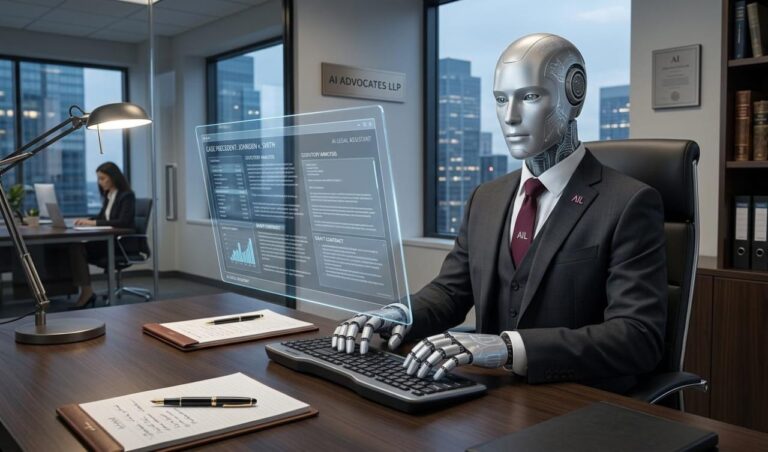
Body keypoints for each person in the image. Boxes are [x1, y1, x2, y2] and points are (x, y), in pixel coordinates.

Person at [333, 33, 667, 394]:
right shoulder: (486, 198)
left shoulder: (629, 202)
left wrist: (507, 347)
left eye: (530, 96)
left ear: (574, 95)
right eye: (501, 99)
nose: (510, 116)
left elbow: (638, 336)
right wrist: (398, 314)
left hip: (578, 402)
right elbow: (450, 292)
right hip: (489, 398)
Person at [69, 162, 135, 308]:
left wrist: (93, 224)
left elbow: (123, 222)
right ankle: (86, 291)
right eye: (99, 178)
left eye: (103, 178)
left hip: (121, 244)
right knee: (74, 246)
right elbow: (103, 217)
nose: (100, 182)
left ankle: (86, 293)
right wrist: (87, 221)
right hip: (108, 241)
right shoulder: (109, 195)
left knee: (77, 248)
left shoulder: (126, 196)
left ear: (113, 178)